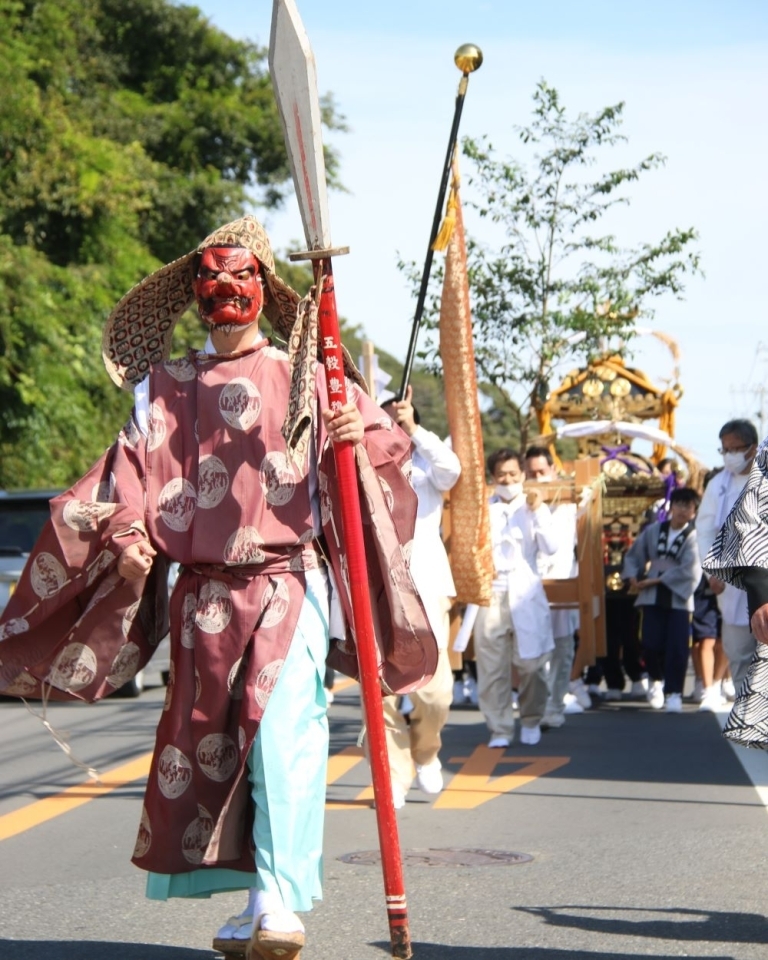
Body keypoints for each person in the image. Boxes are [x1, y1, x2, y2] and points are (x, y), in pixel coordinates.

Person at [0, 215, 437, 960]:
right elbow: (124, 476)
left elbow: (376, 449)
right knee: (216, 750)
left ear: (264, 291)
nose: (224, 290)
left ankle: (279, 902)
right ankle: (255, 897)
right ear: (192, 292)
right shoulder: (163, 387)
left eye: (240, 277)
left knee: (283, 743)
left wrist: (361, 434)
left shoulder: (309, 373)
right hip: (200, 600)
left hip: (283, 587)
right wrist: (130, 537)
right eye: (210, 278)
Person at [378, 386, 461, 807]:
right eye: (387, 419)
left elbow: (452, 471)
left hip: (427, 588)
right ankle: (393, 777)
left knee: (436, 693)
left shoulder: (426, 467)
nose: (393, 425)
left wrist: (416, 430)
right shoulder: (367, 465)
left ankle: (427, 751)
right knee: (383, 693)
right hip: (380, 593)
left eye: (400, 418)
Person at [472, 448, 557, 748]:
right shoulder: (484, 509)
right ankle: (500, 728)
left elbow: (551, 548)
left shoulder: (535, 507)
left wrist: (537, 513)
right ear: (492, 478)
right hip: (491, 594)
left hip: (526, 593)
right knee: (491, 666)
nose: (507, 479)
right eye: (501, 475)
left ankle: (532, 718)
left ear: (522, 475)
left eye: (512, 474)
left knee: (532, 664)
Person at [622, 487, 701, 712]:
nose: (683, 510)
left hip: (678, 597)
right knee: (649, 642)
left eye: (688, 507)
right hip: (651, 595)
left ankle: (674, 692)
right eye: (679, 504)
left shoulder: (695, 537)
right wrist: (633, 576)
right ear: (671, 506)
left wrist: (656, 580)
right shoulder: (654, 530)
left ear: (694, 512)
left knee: (677, 646)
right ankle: (656, 680)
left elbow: (690, 569)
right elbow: (635, 555)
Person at [696, 419, 759, 694]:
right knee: (740, 656)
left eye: (735, 449)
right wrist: (712, 572)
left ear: (753, 449)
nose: (730, 455)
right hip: (732, 587)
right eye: (725, 450)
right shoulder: (717, 485)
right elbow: (705, 530)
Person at [523, 445, 582, 728]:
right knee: (531, 650)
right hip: (529, 587)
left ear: (553, 471)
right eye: (531, 473)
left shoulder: (572, 500)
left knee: (561, 648)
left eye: (541, 472)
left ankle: (555, 705)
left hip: (562, 580)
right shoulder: (521, 503)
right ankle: (535, 703)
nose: (536, 478)